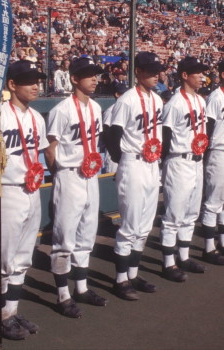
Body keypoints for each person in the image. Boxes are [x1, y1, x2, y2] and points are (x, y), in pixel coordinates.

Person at [0, 60, 49, 340]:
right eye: (29, 80)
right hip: (6, 191)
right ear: (11, 85)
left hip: (32, 190)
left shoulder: (37, 117)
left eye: (38, 80)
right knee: (3, 260)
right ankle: (0, 318)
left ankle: (11, 310)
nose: (36, 85)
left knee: (22, 258)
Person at [45, 57, 107, 318]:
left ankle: (81, 288)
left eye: (96, 74)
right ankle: (62, 295)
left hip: (90, 176)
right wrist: (59, 173)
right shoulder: (61, 110)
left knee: (86, 234)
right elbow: (50, 148)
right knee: (64, 238)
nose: (95, 79)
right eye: (88, 75)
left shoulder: (95, 107)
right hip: (69, 175)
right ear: (74, 79)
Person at [106, 52, 164, 300]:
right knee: (129, 225)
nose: (155, 75)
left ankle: (133, 273)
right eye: (150, 71)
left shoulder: (158, 100)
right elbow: (111, 135)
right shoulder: (127, 100)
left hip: (152, 164)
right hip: (133, 162)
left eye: (157, 71)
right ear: (138, 72)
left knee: (144, 226)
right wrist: (123, 160)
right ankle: (120, 281)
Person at [160, 56, 209, 282]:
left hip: (196, 160)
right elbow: (166, 136)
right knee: (174, 214)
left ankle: (184, 256)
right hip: (179, 160)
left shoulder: (200, 101)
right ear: (184, 75)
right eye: (196, 72)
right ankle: (168, 263)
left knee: (191, 213)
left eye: (202, 72)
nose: (201, 75)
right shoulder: (174, 103)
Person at [200, 60, 224, 265]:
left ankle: (222, 242)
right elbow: (208, 128)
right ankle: (208, 248)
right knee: (213, 201)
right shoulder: (216, 97)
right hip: (218, 152)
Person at [102, 83, 128, 173]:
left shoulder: (127, 109)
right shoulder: (110, 110)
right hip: (112, 152)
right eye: (123, 93)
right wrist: (114, 152)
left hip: (124, 151)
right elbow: (106, 133)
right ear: (117, 94)